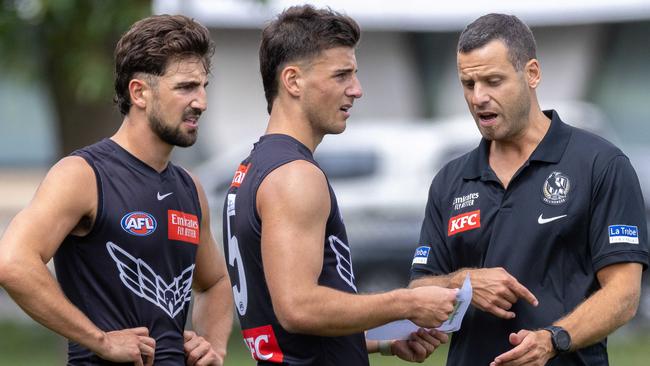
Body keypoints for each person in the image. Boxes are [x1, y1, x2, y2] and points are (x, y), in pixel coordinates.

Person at [222, 5, 458, 366]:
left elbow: (289, 336)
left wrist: (383, 341)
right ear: (293, 80)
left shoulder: (253, 168)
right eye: (341, 75)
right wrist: (407, 303)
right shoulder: (294, 174)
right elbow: (298, 308)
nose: (357, 90)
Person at [409, 13, 649, 366]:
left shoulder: (600, 164)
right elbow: (416, 292)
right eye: (468, 83)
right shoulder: (451, 180)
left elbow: (624, 296)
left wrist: (553, 339)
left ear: (532, 73)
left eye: (493, 81)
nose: (478, 98)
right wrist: (465, 282)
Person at [0, 15, 233, 365]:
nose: (201, 102)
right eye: (186, 87)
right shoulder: (82, 175)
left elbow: (214, 282)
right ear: (139, 92)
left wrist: (212, 344)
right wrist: (100, 340)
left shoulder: (190, 188)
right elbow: (13, 263)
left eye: (203, 87)